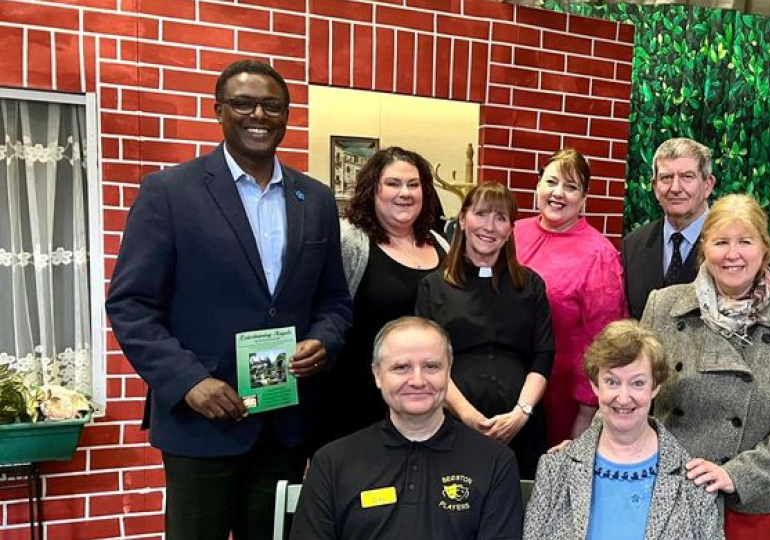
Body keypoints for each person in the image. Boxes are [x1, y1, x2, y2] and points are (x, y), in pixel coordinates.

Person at [105, 60, 353, 540]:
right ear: (219, 111)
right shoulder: (170, 192)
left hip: (285, 422)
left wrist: (325, 340)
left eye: (272, 105)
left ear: (286, 116)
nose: (258, 114)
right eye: (243, 103)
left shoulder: (316, 199)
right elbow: (131, 304)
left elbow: (335, 301)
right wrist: (190, 381)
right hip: (203, 421)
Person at [642, 194, 770, 540]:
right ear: (704, 248)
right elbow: (629, 390)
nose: (732, 254)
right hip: (670, 487)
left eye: (745, 241)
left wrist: (738, 475)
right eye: (721, 242)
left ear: (764, 249)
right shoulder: (663, 305)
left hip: (751, 502)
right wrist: (590, 442)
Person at [291, 317, 523, 540]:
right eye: (401, 367)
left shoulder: (495, 462)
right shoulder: (332, 463)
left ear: (448, 372)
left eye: (431, 366)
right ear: (377, 375)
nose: (418, 381)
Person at [523, 319, 722, 540]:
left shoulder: (693, 481)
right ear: (594, 385)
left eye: (637, 383)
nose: (624, 398)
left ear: (655, 387)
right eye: (612, 382)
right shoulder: (555, 469)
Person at [416, 182, 554, 479]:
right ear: (463, 220)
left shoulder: (530, 286)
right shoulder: (434, 287)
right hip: (453, 423)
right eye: (480, 214)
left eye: (501, 218)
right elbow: (429, 362)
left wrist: (520, 414)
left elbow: (543, 356)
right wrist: (466, 414)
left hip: (520, 428)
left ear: (510, 231)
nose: (489, 227)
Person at [317, 146, 449, 445]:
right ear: (372, 189)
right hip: (356, 404)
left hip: (422, 403)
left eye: (413, 185)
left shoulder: (442, 245)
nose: (405, 193)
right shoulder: (349, 240)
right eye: (393, 183)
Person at [514, 149, 627, 446]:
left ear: (584, 198)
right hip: (506, 382)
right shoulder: (512, 233)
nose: (558, 194)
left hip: (561, 397)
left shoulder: (599, 255)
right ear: (538, 185)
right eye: (551, 182)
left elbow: (604, 342)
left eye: (571, 187)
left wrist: (587, 414)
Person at [623, 137, 717, 319]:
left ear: (708, 185)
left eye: (687, 177)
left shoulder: (732, 248)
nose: (675, 188)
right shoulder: (633, 245)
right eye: (666, 178)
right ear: (655, 187)